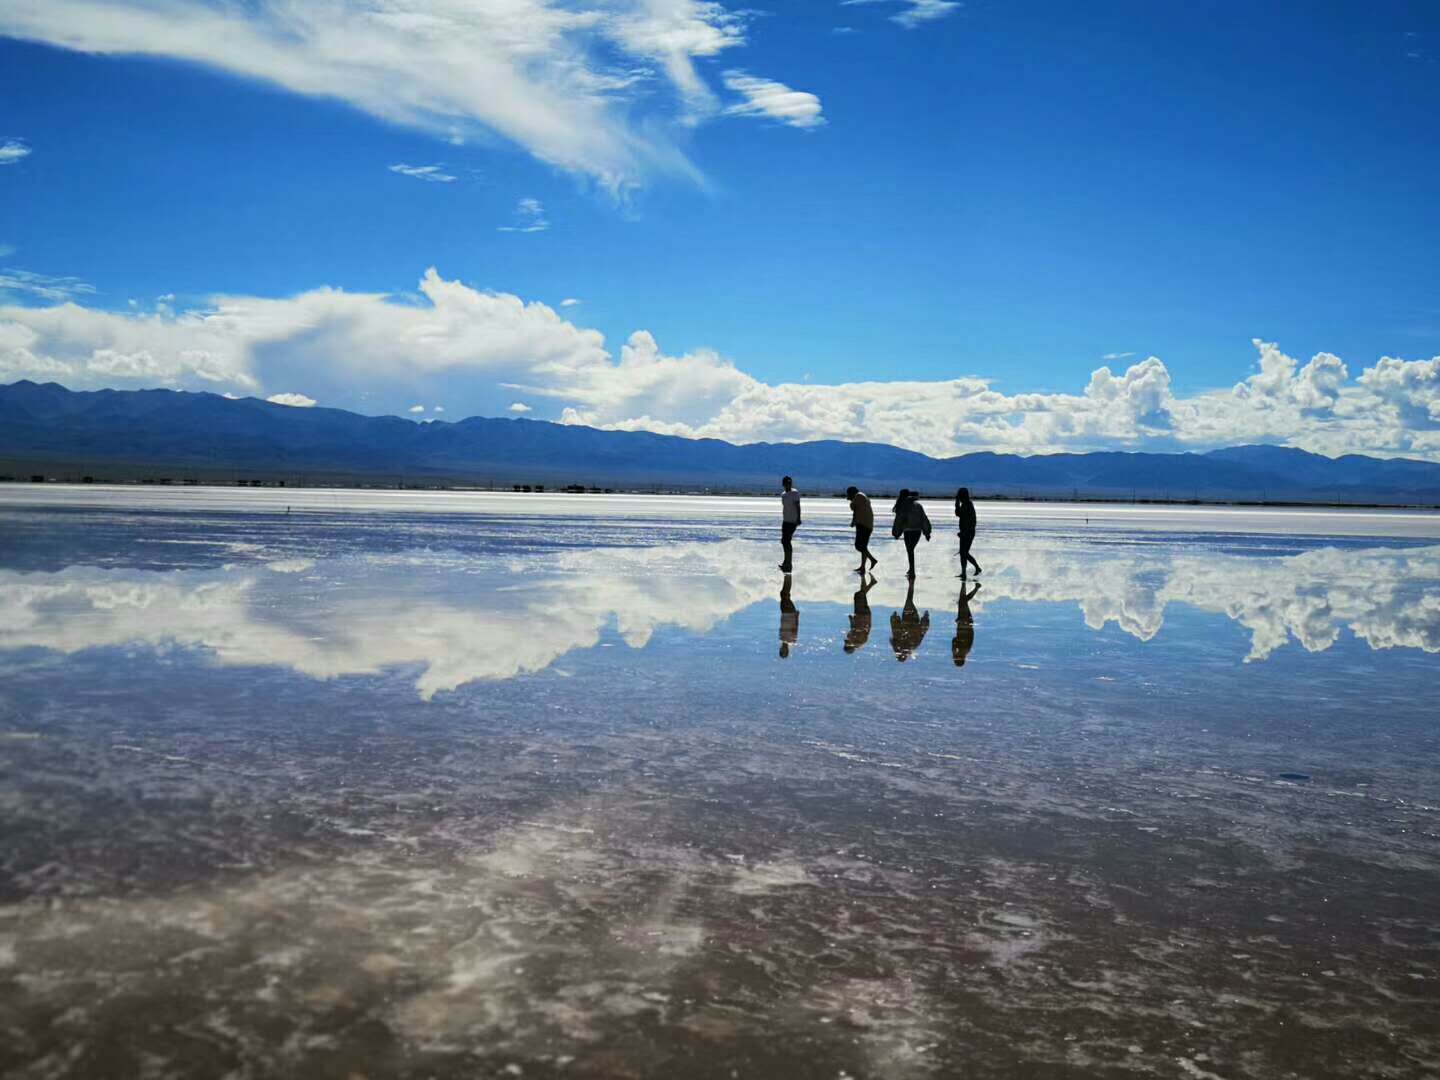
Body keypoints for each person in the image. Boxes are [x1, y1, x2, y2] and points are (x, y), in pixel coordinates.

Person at [891, 489, 932, 579]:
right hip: (917, 532)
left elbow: (899, 521)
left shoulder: (902, 506)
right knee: (910, 550)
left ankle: (912, 571)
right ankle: (911, 569)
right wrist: (927, 533)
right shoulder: (918, 506)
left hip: (908, 531)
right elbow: (924, 519)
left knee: (910, 550)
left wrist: (896, 533)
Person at [889, 577, 930, 661]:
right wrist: (925, 619)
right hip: (910, 619)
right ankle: (911, 582)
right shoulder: (909, 644)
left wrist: (894, 618)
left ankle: (911, 583)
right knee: (909, 600)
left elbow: (895, 629)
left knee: (909, 600)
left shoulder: (905, 644)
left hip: (909, 618)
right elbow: (922, 632)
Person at [846, 485, 878, 574]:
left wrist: (850, 500)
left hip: (864, 525)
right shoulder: (862, 496)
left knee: (858, 546)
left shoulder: (859, 496)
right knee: (863, 546)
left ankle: (872, 560)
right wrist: (853, 521)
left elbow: (852, 507)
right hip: (866, 524)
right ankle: (863, 567)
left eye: (849, 494)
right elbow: (856, 510)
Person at [843, 574, 876, 654]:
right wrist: (852, 620)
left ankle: (864, 578)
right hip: (863, 615)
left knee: (860, 595)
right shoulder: (860, 640)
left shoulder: (855, 640)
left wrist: (851, 619)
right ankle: (870, 582)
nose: (846, 642)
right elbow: (858, 628)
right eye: (847, 643)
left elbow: (852, 627)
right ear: (850, 645)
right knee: (859, 595)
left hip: (860, 615)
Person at [955, 487, 982, 578]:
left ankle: (977, 568)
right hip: (964, 532)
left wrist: (965, 532)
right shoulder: (964, 504)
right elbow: (958, 514)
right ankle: (963, 572)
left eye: (960, 495)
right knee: (963, 553)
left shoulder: (968, 505)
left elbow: (971, 521)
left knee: (964, 553)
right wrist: (957, 503)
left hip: (968, 533)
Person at [952, 581, 980, 667]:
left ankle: (975, 587)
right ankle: (964, 584)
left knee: (963, 601)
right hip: (963, 623)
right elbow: (954, 640)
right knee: (962, 601)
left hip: (966, 623)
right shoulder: (963, 650)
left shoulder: (967, 650)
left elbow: (971, 635)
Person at [778, 475, 801, 572]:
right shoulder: (783, 494)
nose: (789, 484)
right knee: (784, 541)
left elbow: (797, 506)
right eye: (787, 483)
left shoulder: (795, 493)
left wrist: (798, 518)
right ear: (783, 484)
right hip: (785, 520)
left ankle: (788, 563)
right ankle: (786, 562)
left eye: (790, 483)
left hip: (792, 521)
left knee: (787, 540)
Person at [778, 574, 799, 659]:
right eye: (783, 651)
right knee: (784, 594)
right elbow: (795, 627)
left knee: (784, 594)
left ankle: (787, 576)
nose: (782, 649)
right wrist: (796, 616)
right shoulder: (790, 640)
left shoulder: (783, 639)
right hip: (789, 614)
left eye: (781, 651)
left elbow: (783, 626)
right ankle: (787, 576)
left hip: (785, 614)